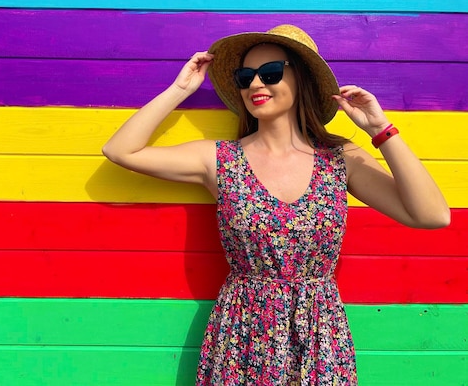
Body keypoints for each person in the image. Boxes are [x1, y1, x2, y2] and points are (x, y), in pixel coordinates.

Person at [102, 24, 450, 385]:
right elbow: (120, 150)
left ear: (301, 79)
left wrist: (380, 129)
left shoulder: (340, 159)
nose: (256, 84)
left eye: (270, 73)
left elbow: (432, 215)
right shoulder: (220, 159)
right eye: (245, 76)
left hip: (319, 334)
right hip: (242, 335)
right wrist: (181, 90)